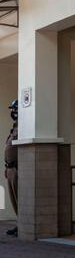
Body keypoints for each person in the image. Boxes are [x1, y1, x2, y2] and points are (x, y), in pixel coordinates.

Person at [4, 100, 18, 237]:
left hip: (17, 169)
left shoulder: (23, 126)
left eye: (14, 109)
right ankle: (19, 223)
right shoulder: (14, 127)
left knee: (19, 198)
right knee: (14, 199)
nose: (12, 112)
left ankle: (23, 225)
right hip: (10, 168)